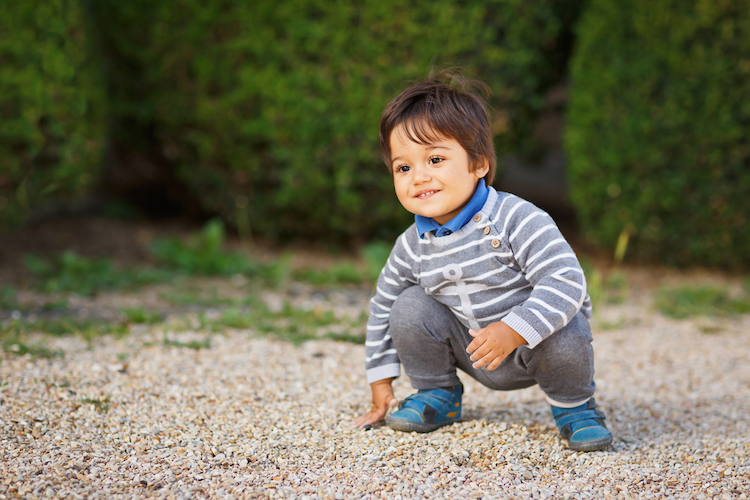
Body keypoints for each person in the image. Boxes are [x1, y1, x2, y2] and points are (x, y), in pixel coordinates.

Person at [352, 71, 613, 452]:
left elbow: (566, 280)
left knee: (567, 323)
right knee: (406, 305)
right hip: (471, 349)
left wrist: (513, 330)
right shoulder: (411, 245)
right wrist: (380, 384)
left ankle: (575, 407)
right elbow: (382, 309)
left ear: (478, 164)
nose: (418, 177)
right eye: (403, 168)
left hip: (534, 344)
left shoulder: (516, 218)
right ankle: (437, 393)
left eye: (435, 159)